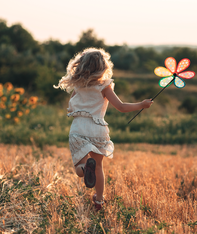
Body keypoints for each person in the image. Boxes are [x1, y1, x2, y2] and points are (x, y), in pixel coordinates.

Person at [54, 47, 153, 211]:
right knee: (98, 166)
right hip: (98, 128)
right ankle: (99, 201)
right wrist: (141, 105)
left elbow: (71, 107)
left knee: (79, 166)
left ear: (81, 66)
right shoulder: (105, 86)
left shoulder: (78, 86)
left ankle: (85, 169)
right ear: (103, 67)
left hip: (79, 127)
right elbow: (121, 106)